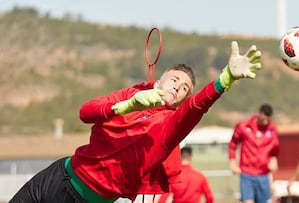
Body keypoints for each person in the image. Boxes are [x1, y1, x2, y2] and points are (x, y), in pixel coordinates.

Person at [10, 41, 262, 203]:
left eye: (185, 88)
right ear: (160, 81)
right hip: (58, 174)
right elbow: (86, 112)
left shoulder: (169, 126)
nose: (178, 87)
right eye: (175, 79)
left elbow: (196, 107)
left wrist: (224, 80)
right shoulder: (132, 94)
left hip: (86, 199)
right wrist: (126, 105)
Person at [228, 104, 279, 203]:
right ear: (259, 114)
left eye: (267, 120)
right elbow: (233, 144)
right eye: (263, 119)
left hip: (263, 174)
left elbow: (274, 150)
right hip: (247, 173)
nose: (265, 122)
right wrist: (232, 163)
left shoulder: (272, 129)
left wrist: (274, 161)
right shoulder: (244, 126)